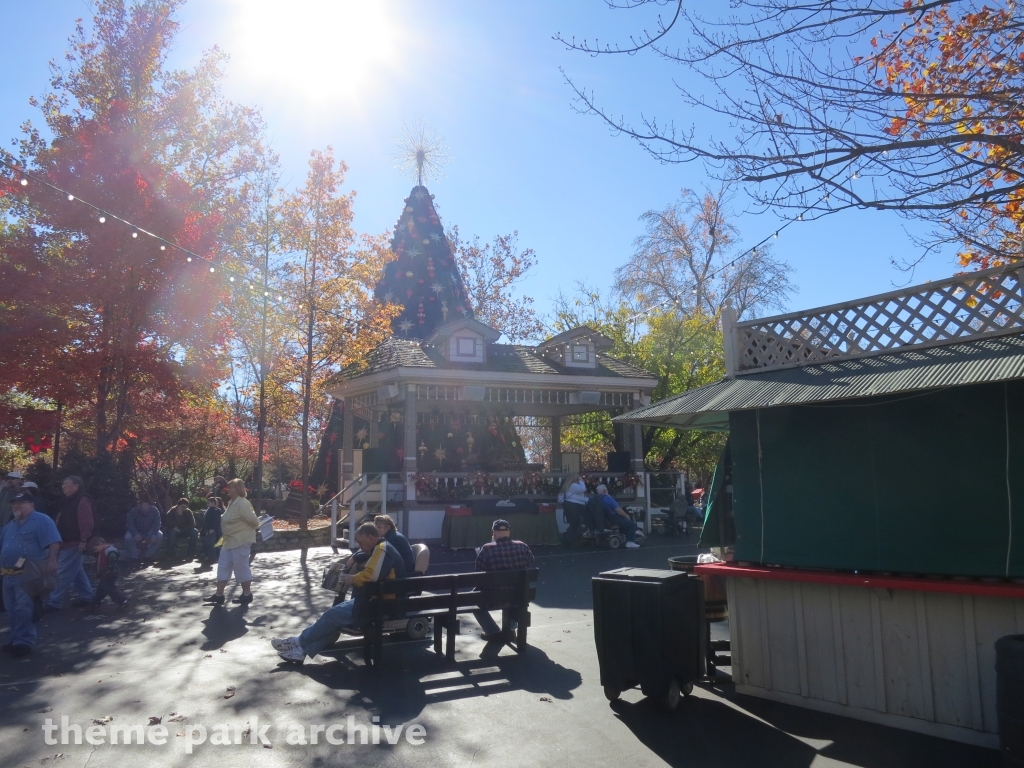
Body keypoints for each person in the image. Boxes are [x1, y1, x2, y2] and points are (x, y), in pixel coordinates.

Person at [271, 522, 405, 663]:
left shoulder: (383, 549)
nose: (359, 546)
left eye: (360, 542)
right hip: (376, 600)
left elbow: (371, 576)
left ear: (370, 538)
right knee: (333, 620)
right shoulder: (378, 548)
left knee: (332, 615)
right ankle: (302, 651)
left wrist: (352, 579)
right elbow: (370, 569)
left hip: (381, 604)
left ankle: (297, 641)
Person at [1, 491, 60, 657]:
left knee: (24, 609)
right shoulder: (10, 525)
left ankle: (24, 642)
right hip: (7, 574)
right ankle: (15, 639)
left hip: (27, 574)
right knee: (11, 610)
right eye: (14, 504)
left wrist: (52, 560)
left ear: (31, 505)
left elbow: (53, 542)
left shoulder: (42, 520)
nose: (16, 506)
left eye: (21, 503)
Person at [473, 519, 536, 640]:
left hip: (493, 597)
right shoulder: (523, 546)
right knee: (513, 599)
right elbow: (530, 563)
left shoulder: (487, 549)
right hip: (519, 596)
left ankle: (492, 631)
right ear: (509, 533)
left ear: (494, 533)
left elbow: (478, 576)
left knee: (472, 599)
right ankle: (510, 629)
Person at [44, 476, 96, 611]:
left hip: (74, 542)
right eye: (62, 484)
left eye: (66, 484)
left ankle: (54, 601)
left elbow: (86, 522)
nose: (63, 486)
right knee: (77, 571)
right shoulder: (70, 500)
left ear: (76, 486)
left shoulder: (82, 500)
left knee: (62, 572)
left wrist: (83, 540)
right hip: (67, 541)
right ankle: (88, 597)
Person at [204, 478, 258, 606]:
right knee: (223, 566)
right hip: (228, 541)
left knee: (241, 567)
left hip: (240, 541)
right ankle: (219, 595)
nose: (228, 489)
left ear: (238, 489)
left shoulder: (242, 503)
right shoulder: (231, 503)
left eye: (231, 487)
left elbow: (254, 522)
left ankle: (247, 595)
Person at [596, 484, 640, 549]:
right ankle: (630, 542)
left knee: (624, 523)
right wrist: (626, 515)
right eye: (606, 489)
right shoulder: (608, 499)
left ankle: (625, 538)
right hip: (614, 517)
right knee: (631, 524)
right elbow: (618, 510)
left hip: (606, 519)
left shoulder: (598, 499)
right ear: (605, 491)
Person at [88, 536, 128, 608]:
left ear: (100, 544)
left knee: (110, 588)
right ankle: (96, 601)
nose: (95, 551)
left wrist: (110, 570)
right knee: (101, 588)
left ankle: (122, 600)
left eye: (95, 548)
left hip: (110, 573)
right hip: (105, 573)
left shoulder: (110, 551)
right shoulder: (102, 551)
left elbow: (113, 562)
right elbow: (94, 554)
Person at [125, 500, 163, 565]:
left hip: (149, 531)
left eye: (146, 511)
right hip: (137, 531)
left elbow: (157, 523)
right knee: (127, 537)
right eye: (143, 511)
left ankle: (148, 555)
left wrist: (154, 534)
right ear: (140, 508)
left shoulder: (155, 510)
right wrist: (135, 533)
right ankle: (134, 556)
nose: (144, 513)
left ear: (149, 507)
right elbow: (130, 524)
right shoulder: (133, 511)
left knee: (159, 535)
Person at [560, 473, 588, 545]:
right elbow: (582, 489)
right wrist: (581, 481)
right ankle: (569, 539)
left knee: (574, 523)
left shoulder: (570, 486)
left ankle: (570, 538)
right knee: (575, 523)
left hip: (571, 505)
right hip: (574, 506)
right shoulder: (573, 485)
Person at [200, 496, 223, 563]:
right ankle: (208, 555)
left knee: (210, 544)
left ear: (213, 503)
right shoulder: (209, 510)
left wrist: (212, 528)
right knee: (207, 543)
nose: (207, 504)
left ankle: (213, 557)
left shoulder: (215, 511)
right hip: (207, 530)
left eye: (209, 503)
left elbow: (216, 521)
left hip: (211, 530)